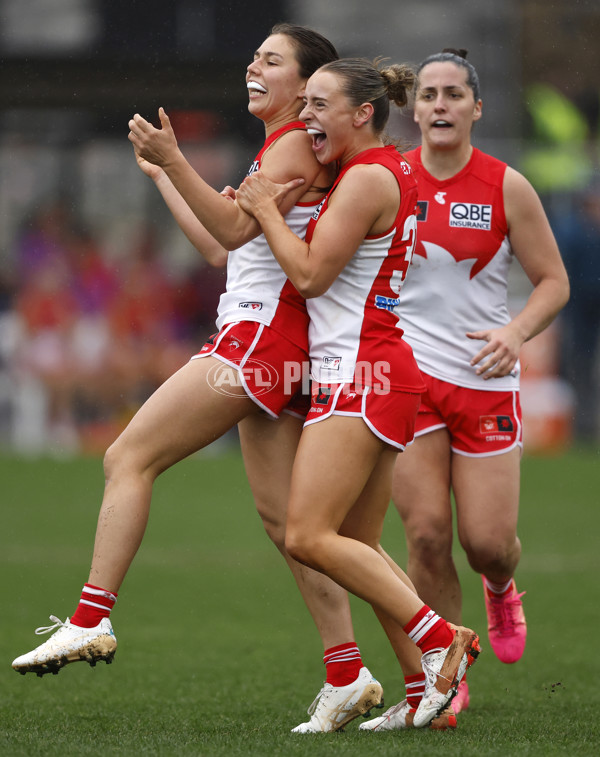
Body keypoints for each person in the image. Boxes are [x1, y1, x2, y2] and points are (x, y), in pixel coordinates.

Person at [10, 24, 384, 734]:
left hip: (257, 344)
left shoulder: (297, 143)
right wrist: (163, 176)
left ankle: (90, 617)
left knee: (128, 455)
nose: (252, 65)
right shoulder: (282, 147)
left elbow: (236, 233)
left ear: (308, 87)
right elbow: (220, 241)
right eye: (253, 55)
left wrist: (176, 160)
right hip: (266, 344)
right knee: (288, 526)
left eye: (270, 60)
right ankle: (347, 671)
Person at [235, 56, 481, 731]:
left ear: (362, 113)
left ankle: (441, 639)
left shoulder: (368, 176)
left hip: (359, 372)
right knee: (360, 542)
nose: (306, 116)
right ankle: (419, 687)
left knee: (307, 534)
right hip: (380, 371)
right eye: (305, 103)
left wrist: (262, 208)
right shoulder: (381, 169)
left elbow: (311, 276)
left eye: (319, 104)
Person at [362, 49, 569, 728]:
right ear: (413, 108)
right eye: (429, 94)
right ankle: (445, 673)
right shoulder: (386, 179)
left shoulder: (506, 186)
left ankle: (502, 588)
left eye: (455, 94)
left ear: (477, 108)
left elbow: (553, 282)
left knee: (485, 541)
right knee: (423, 534)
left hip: (484, 381)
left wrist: (516, 332)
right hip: (409, 380)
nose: (441, 104)